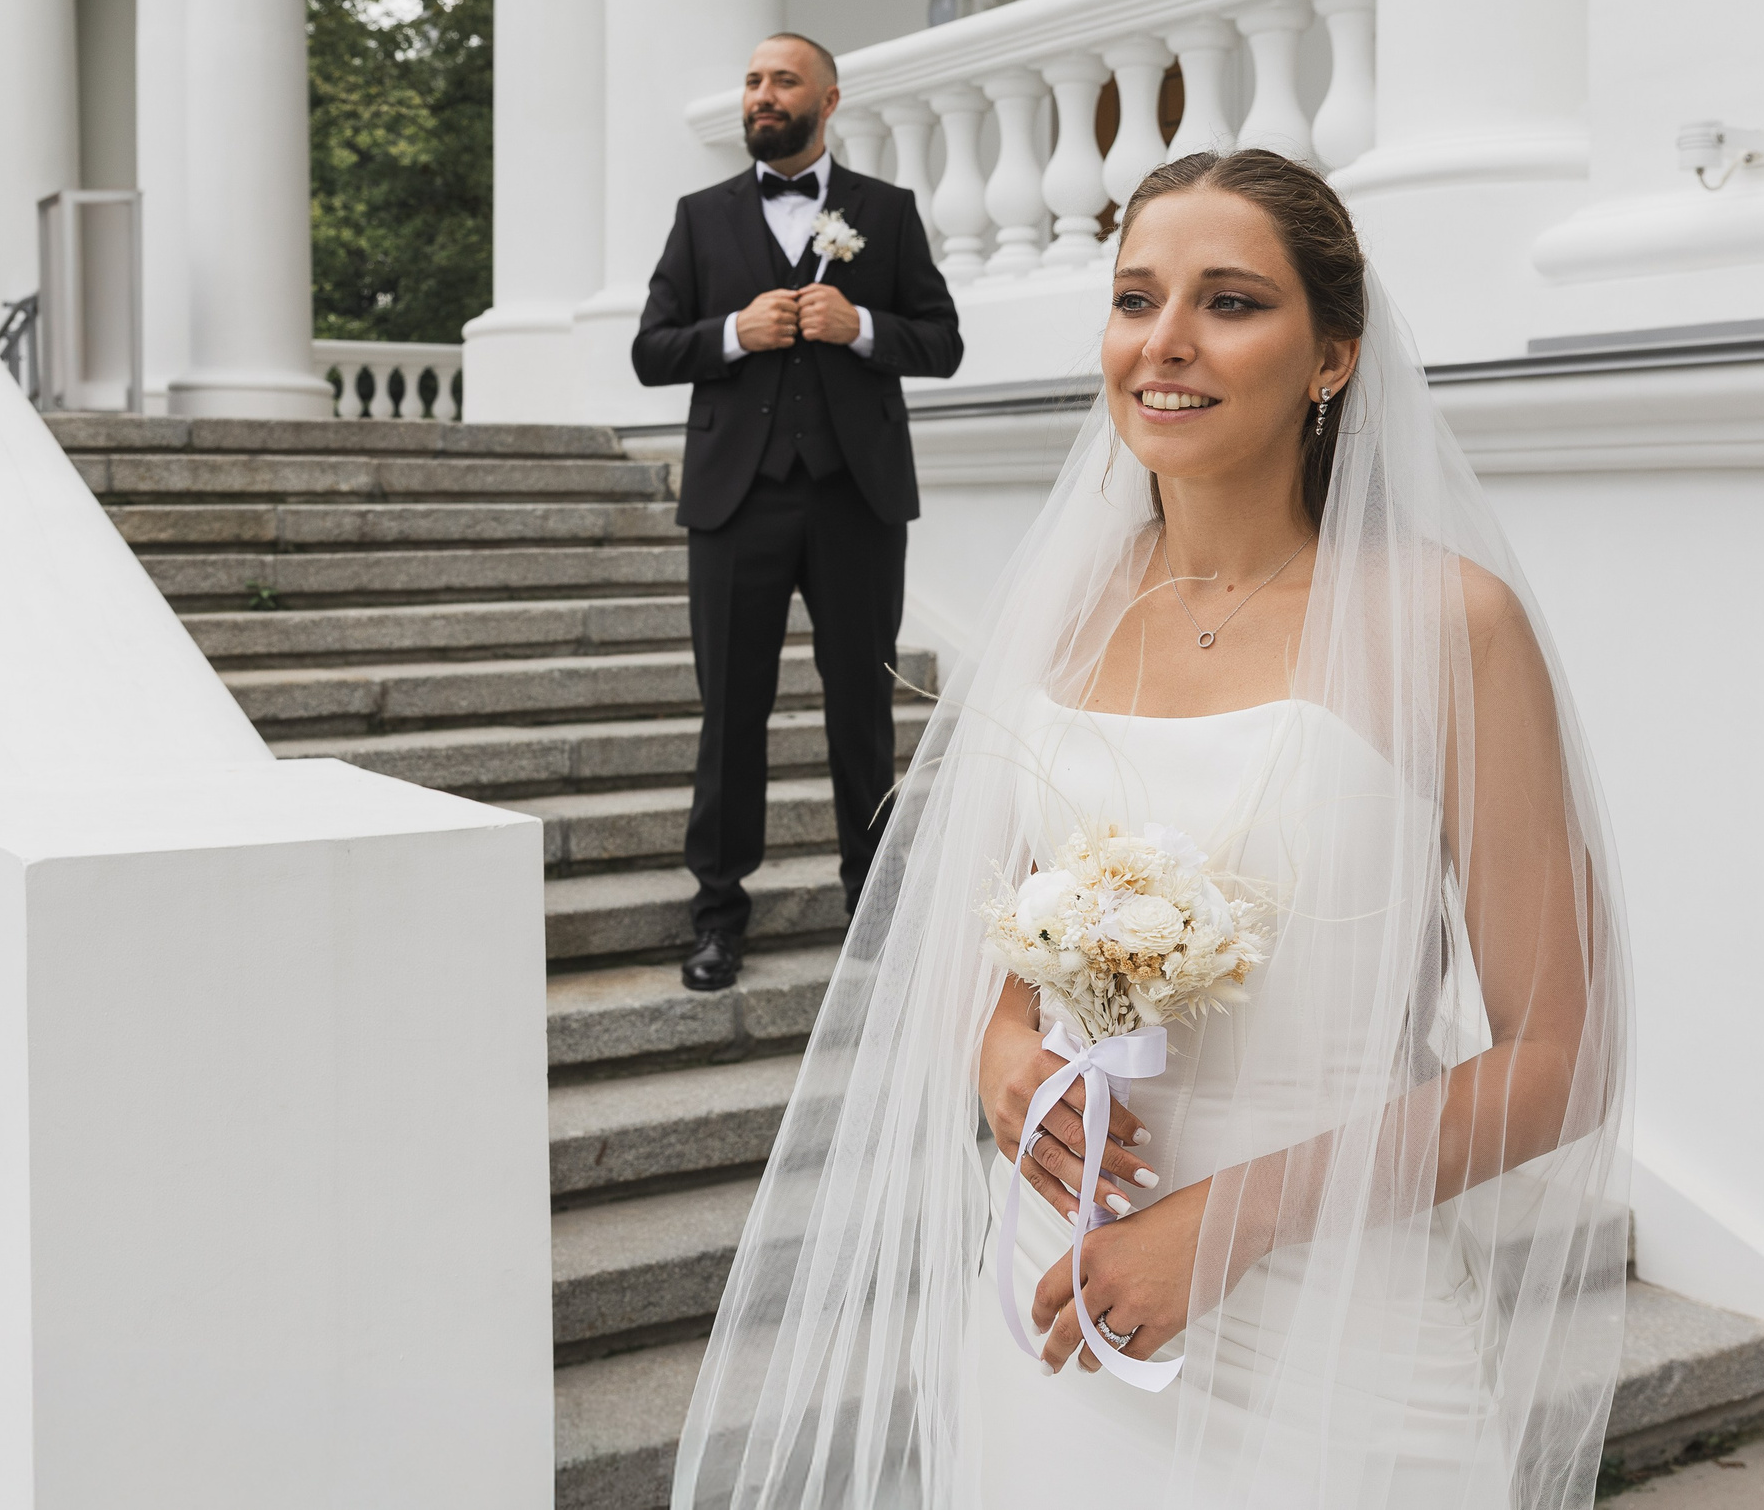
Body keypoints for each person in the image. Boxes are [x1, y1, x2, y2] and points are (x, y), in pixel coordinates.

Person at [673, 150, 1632, 1508]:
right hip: (1069, 1283)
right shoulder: (1057, 608)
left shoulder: (1447, 625)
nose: (1164, 341)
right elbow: (987, 934)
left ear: (1333, 358)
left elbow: (1557, 1059)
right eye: (1135, 297)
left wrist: (1231, 1216)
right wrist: (1003, 1051)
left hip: (1334, 1300)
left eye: (1230, 301)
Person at [632, 33, 963, 992]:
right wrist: (734, 333)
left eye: (782, 80)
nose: (761, 95)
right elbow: (653, 350)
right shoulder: (702, 219)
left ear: (827, 98)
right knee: (731, 708)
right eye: (751, 81)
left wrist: (856, 325)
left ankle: (872, 902)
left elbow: (940, 341)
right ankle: (718, 914)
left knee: (861, 705)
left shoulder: (887, 214)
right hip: (736, 498)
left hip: (856, 496)